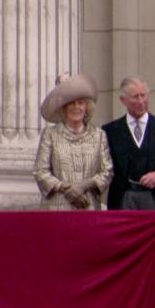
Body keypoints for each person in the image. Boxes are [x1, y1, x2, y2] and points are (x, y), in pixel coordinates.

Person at [103, 77, 155, 210]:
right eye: (135, 97)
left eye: (143, 95)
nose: (141, 101)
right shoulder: (110, 131)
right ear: (123, 100)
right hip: (122, 201)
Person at [33, 73, 113, 210]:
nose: (76, 107)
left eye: (80, 103)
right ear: (63, 108)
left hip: (88, 206)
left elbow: (107, 172)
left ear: (87, 107)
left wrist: (83, 186)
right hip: (57, 208)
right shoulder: (50, 134)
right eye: (71, 103)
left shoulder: (99, 135)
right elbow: (40, 171)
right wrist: (66, 189)